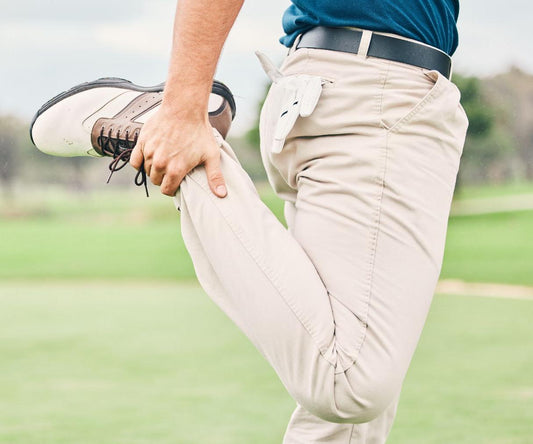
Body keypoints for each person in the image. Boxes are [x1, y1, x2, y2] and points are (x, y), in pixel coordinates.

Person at [33, 1, 468, 442]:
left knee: (345, 420)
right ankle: (166, 132)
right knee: (349, 385)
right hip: (378, 91)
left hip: (346, 85)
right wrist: (183, 109)